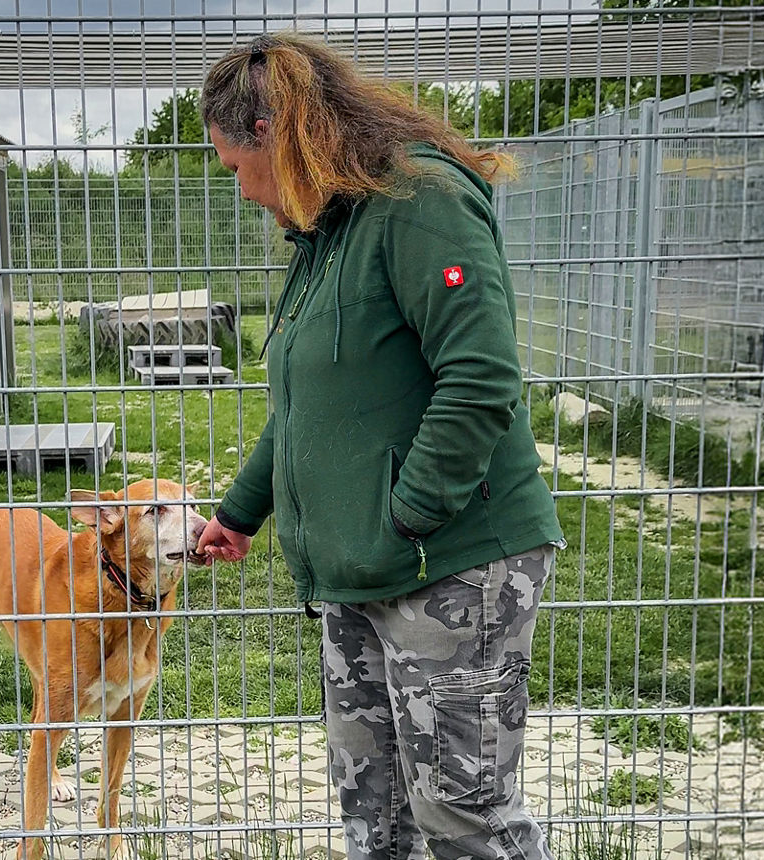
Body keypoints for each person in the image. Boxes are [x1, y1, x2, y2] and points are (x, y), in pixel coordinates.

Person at [194, 32, 566, 860]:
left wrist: (407, 515)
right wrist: (242, 511)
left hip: (449, 562)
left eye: (234, 169)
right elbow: (306, 406)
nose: (244, 193)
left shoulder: (419, 201)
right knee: (379, 819)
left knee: (465, 817)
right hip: (357, 573)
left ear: (270, 134)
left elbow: (481, 378)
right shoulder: (328, 234)